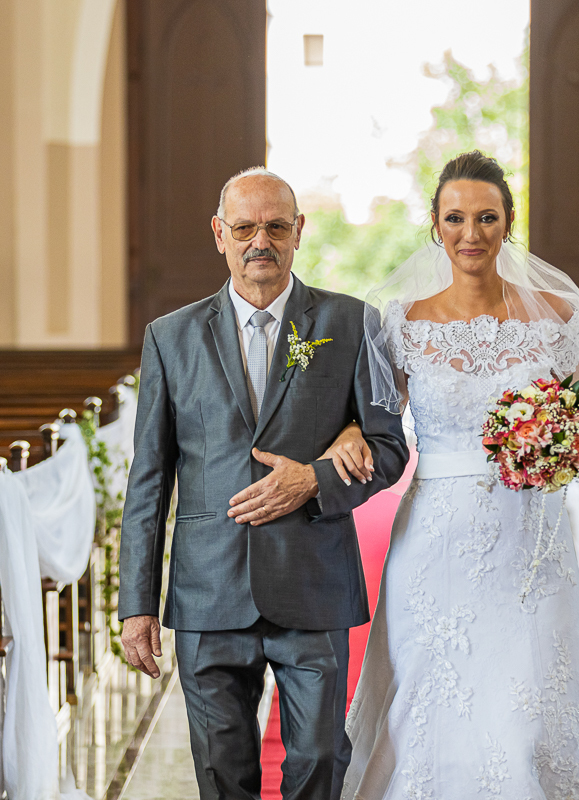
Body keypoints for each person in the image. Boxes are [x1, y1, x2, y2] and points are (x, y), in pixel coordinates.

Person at [335, 151, 579, 798]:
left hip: (532, 541)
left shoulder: (559, 319)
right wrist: (347, 430)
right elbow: (375, 421)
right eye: (455, 218)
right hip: (434, 543)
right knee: (431, 692)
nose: (470, 233)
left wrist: (558, 446)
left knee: (528, 702)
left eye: (485, 217)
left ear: (508, 223)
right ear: (435, 226)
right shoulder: (403, 324)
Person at [117, 167, 409, 800]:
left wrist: (314, 478)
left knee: (320, 760)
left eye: (277, 227)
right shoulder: (169, 338)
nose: (261, 242)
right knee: (222, 775)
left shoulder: (353, 323)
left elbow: (388, 448)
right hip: (208, 587)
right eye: (245, 227)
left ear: (299, 231)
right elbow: (148, 481)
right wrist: (136, 603)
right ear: (218, 234)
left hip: (314, 581)